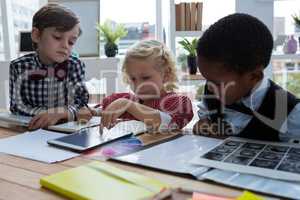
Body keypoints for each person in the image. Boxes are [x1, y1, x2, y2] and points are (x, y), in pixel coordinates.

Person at [193, 13, 300, 142]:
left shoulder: (291, 114)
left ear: (254, 76)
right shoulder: (214, 91)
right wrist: (204, 123)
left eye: (216, 83)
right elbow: (205, 116)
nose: (209, 87)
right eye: (207, 79)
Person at [78, 40, 193, 131]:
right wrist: (92, 112)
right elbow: (104, 111)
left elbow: (167, 124)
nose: (138, 85)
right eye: (133, 78)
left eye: (146, 78)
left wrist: (128, 105)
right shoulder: (124, 100)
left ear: (166, 74)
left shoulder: (178, 102)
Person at [9, 4, 89, 130]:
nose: (65, 46)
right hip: (31, 129)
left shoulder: (75, 65)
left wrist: (60, 112)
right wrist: (45, 115)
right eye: (57, 37)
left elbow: (82, 104)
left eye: (71, 42)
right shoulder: (19, 67)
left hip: (66, 130)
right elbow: (16, 106)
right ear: (36, 35)